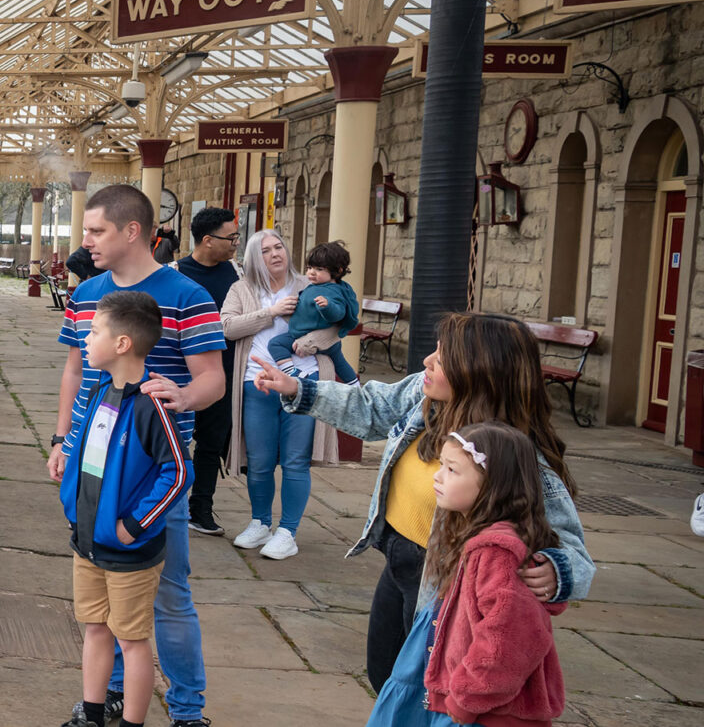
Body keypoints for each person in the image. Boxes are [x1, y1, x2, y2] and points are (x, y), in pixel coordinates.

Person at [249, 311, 596, 690]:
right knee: (383, 675)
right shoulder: (425, 395)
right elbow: (373, 407)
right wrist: (298, 389)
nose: (428, 362)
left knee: (425, 686)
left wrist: (556, 570)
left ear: (478, 373)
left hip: (444, 583)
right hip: (397, 560)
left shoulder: (514, 455)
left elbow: (573, 552)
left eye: (442, 359)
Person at [50, 184, 224, 727]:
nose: (86, 241)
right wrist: (60, 441)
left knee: (168, 594)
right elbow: (75, 371)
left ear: (131, 232)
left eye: (96, 231)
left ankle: (189, 710)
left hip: (151, 469)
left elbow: (212, 380)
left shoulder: (188, 295)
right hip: (93, 461)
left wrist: (178, 400)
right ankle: (115, 697)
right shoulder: (87, 295)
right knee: (103, 599)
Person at [367, 423, 568, 727]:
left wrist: (466, 699)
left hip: (482, 713)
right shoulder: (471, 535)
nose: (437, 476)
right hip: (455, 697)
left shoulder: (497, 552)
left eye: (451, 470)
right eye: (441, 466)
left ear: (492, 484)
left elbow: (510, 640)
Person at [57, 290, 189, 727]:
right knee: (94, 628)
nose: (86, 338)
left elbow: (178, 473)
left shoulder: (152, 405)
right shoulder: (99, 390)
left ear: (122, 344)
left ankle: (133, 722)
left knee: (132, 640)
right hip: (88, 540)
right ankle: (92, 715)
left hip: (128, 549)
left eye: (93, 331)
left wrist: (134, 525)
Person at [220, 229, 343, 560]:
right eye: (265, 251)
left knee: (295, 460)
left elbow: (337, 324)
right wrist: (271, 313)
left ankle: (288, 531)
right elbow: (228, 327)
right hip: (256, 382)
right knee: (259, 461)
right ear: (253, 259)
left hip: (304, 383)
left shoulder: (310, 285)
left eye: (279, 247)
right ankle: (260, 523)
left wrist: (309, 343)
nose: (275, 254)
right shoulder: (241, 289)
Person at [172, 208, 241, 536]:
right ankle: (167, 503)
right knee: (174, 441)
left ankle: (201, 507)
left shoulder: (238, 274)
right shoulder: (174, 272)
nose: (235, 244)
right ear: (208, 240)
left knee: (212, 444)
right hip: (179, 376)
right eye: (231, 238)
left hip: (222, 373)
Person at [265, 241, 360, 383]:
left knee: (275, 344)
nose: (311, 273)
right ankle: (354, 384)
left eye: (319, 269)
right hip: (306, 334)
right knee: (340, 363)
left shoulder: (333, 291)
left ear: (338, 271)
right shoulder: (315, 286)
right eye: (309, 268)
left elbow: (339, 314)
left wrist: (327, 307)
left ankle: (291, 371)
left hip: (312, 337)